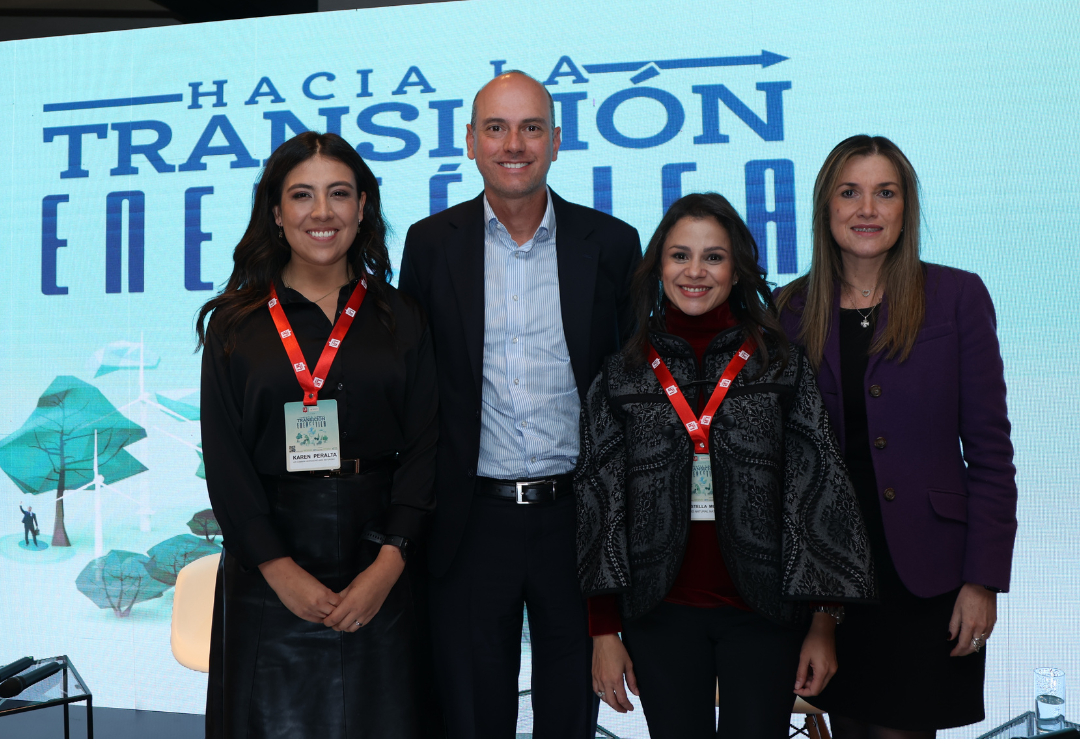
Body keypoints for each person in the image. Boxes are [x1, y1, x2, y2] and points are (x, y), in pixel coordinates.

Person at [576, 192, 875, 739]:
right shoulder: (622, 373)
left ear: (736, 269)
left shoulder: (779, 363)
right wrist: (603, 631)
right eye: (679, 256)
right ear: (657, 266)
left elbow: (821, 492)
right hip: (659, 614)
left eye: (713, 257)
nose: (695, 272)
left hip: (764, 616)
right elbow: (599, 504)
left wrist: (823, 623)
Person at [398, 70, 642, 738]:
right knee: (472, 719)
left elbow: (632, 394)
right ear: (470, 142)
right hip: (471, 523)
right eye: (497, 128)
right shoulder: (429, 245)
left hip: (578, 522)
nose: (515, 143)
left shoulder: (613, 245)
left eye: (531, 127)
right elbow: (418, 391)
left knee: (569, 719)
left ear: (557, 141)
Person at [197, 132, 438, 739]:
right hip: (269, 564)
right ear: (276, 213)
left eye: (338, 194)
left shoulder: (401, 316)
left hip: (382, 553)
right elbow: (226, 462)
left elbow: (429, 445)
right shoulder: (234, 323)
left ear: (363, 207)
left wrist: (388, 566)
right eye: (302, 195)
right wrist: (279, 569)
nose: (321, 212)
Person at [776, 135, 1017, 739]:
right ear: (825, 207)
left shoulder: (956, 297)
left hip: (930, 578)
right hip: (832, 581)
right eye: (850, 193)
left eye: (886, 193)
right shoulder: (790, 310)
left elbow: (990, 453)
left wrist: (982, 580)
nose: (867, 209)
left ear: (906, 208)